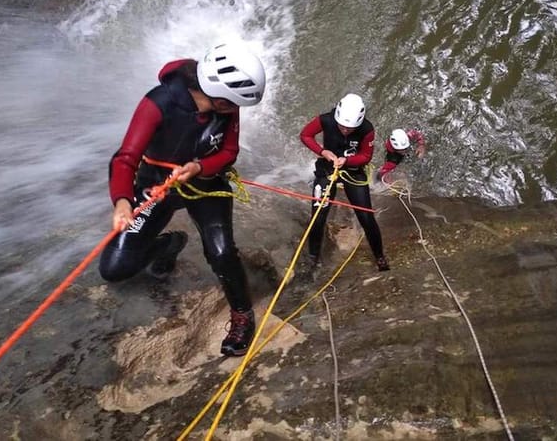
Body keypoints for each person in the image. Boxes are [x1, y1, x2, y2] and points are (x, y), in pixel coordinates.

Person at [98, 42, 266, 357]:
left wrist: (201, 167)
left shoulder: (226, 107)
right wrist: (122, 202)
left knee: (221, 252)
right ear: (216, 96)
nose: (234, 112)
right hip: (156, 186)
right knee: (115, 268)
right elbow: (124, 159)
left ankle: (242, 314)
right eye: (230, 105)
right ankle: (168, 244)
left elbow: (229, 152)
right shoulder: (158, 103)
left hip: (204, 184)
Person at [299, 93, 390, 273]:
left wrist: (346, 161)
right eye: (342, 126)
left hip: (353, 172)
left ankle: (380, 256)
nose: (345, 130)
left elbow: (365, 156)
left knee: (366, 216)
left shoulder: (366, 129)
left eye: (350, 128)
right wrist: (323, 152)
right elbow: (306, 135)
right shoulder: (326, 120)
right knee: (317, 216)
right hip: (327, 169)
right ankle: (313, 259)